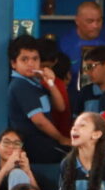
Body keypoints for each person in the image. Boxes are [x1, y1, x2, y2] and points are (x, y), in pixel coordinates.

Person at [6, 35, 69, 163]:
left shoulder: (35, 82)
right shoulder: (20, 85)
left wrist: (50, 83)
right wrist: (61, 138)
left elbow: (60, 107)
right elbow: (39, 120)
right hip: (35, 147)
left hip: (46, 143)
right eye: (24, 59)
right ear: (13, 63)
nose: (31, 63)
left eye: (35, 59)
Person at [60, 1, 105, 109]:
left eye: (99, 20)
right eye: (90, 21)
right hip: (75, 101)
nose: (96, 26)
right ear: (77, 21)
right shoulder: (64, 44)